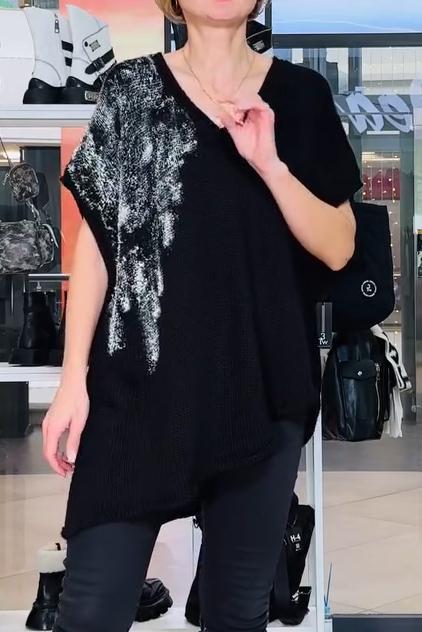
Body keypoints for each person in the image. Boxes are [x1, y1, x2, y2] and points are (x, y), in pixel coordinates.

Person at [43, 1, 362, 630]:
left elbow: (339, 246)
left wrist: (269, 164)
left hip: (259, 390)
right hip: (136, 392)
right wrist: (72, 378)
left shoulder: (300, 96)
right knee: (89, 610)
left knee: (236, 614)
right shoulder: (130, 90)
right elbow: (100, 247)